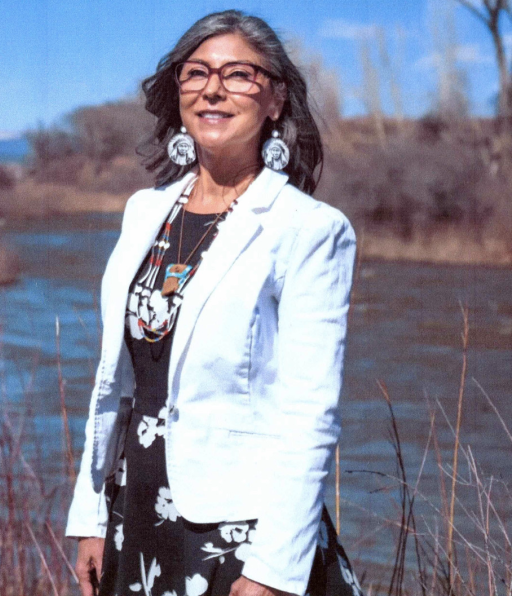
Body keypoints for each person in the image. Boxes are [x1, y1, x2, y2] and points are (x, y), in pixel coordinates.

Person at [65, 10, 363, 596]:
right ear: (178, 95)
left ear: (275, 100)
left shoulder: (308, 229)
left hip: (240, 531)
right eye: (196, 72)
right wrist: (91, 513)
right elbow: (115, 385)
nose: (213, 88)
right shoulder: (144, 213)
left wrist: (273, 570)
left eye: (239, 74)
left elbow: (310, 414)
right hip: (136, 509)